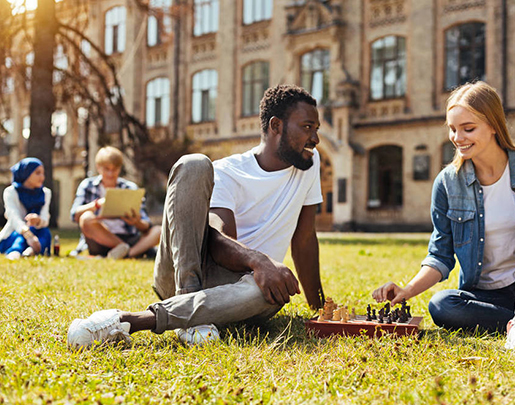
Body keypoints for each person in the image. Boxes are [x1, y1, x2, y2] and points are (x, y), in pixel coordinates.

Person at [67, 84, 325, 349]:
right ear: (276, 126)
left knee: (272, 290)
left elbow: (304, 240)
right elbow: (215, 239)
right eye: (307, 127)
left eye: (316, 129)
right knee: (194, 164)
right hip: (187, 271)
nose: (315, 138)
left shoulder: (309, 163)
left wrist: (321, 309)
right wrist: (259, 260)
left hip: (244, 292)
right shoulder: (228, 172)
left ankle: (130, 321)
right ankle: (182, 302)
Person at [373, 81, 515, 351]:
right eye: (452, 129)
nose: (458, 138)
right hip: (490, 297)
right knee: (442, 305)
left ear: (493, 125)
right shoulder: (447, 184)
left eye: (468, 128)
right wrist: (406, 291)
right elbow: (440, 255)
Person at [70, 146, 161, 259]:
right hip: (99, 240)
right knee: (86, 217)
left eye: (114, 169)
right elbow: (74, 215)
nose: (110, 173)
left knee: (159, 231)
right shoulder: (87, 185)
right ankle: (124, 249)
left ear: (120, 168)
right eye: (106, 169)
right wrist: (97, 204)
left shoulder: (130, 188)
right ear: (98, 167)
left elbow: (146, 226)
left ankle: (127, 253)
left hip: (128, 236)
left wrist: (136, 222)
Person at [0, 158, 52, 260]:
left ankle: (31, 251)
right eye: (37, 173)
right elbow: (13, 217)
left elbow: (45, 218)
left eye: (43, 173)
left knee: (45, 232)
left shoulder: (45, 193)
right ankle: (16, 250)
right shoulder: (11, 192)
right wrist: (28, 235)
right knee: (24, 232)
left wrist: (38, 220)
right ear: (26, 173)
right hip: (13, 235)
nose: (42, 177)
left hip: (37, 234)